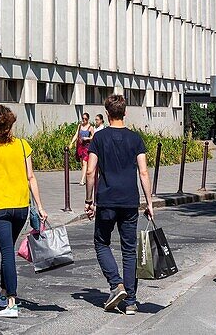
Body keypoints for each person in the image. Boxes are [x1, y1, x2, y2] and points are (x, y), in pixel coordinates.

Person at [0, 101, 47, 319]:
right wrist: (40, 206)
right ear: (10, 125)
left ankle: (12, 302)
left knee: (7, 252)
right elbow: (31, 177)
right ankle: (4, 290)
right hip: (20, 208)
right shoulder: (23, 146)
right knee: (7, 250)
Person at [85, 94, 153, 315]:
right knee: (129, 249)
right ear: (125, 112)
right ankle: (131, 302)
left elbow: (90, 171)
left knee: (102, 242)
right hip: (130, 201)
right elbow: (143, 172)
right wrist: (149, 202)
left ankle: (116, 284)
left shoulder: (99, 138)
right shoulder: (136, 139)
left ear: (107, 114)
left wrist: (89, 200)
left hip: (106, 200)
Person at [70, 112, 95, 185]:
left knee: (84, 163)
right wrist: (71, 143)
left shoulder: (90, 127)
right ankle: (87, 177)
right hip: (80, 146)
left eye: (85, 119)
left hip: (86, 146)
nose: (84, 120)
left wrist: (87, 138)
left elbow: (93, 137)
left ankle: (82, 180)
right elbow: (76, 134)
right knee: (82, 163)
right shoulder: (80, 126)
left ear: (88, 119)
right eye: (83, 119)